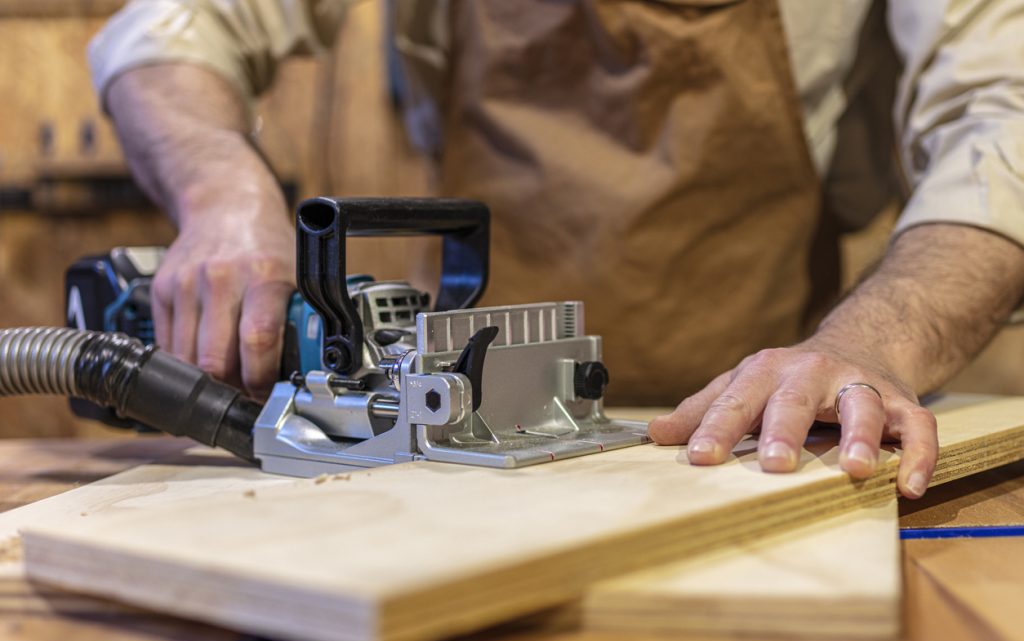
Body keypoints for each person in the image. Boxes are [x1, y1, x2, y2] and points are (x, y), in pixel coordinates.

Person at [88, 0, 1024, 499]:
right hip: (448, 448)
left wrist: (873, 346)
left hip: (767, 440)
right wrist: (221, 192)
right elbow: (173, 25)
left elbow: (1008, 115)